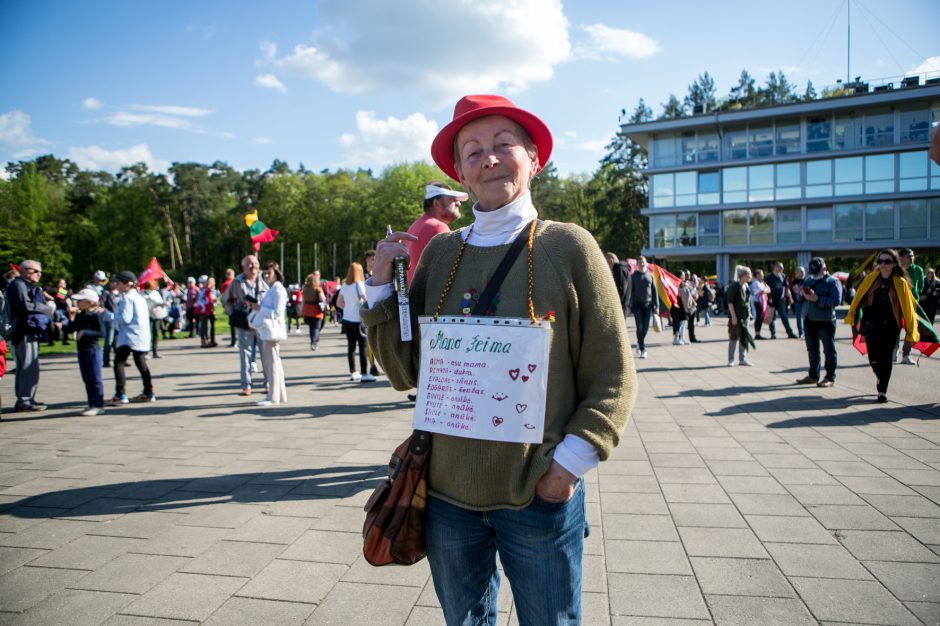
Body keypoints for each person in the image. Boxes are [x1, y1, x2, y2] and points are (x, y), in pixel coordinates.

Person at [363, 94, 635, 625]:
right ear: (461, 177)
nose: (489, 158)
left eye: (503, 144)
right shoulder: (441, 254)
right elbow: (404, 372)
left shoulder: (569, 247)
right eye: (473, 151)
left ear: (533, 157)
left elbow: (612, 375)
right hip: (445, 496)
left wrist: (567, 468)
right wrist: (378, 286)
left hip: (538, 492)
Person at [844, 249, 921, 403]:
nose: (883, 264)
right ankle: (881, 377)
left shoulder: (901, 283)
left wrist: (911, 330)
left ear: (894, 264)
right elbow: (858, 299)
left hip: (892, 326)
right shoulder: (870, 279)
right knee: (874, 359)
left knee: (886, 358)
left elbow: (908, 308)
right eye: (880, 261)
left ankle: (882, 390)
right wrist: (852, 315)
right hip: (871, 324)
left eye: (887, 261)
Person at [6, 260, 54, 411]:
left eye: (40, 272)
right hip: (23, 332)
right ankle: (24, 400)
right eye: (36, 271)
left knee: (29, 366)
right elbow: (24, 305)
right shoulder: (18, 284)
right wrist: (45, 308)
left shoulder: (23, 284)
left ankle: (27, 398)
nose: (39, 274)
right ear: (25, 271)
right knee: (27, 366)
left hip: (27, 331)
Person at [406, 182, 469, 283]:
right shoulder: (437, 227)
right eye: (452, 199)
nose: (458, 203)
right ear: (437, 204)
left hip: (415, 296)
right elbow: (452, 271)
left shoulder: (415, 226)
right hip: (431, 297)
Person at [225, 255, 268, 396]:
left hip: (262, 322)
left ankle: (268, 383)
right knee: (245, 355)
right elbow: (225, 299)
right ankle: (246, 385)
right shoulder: (237, 282)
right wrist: (233, 313)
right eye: (249, 264)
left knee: (266, 354)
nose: (253, 266)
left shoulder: (265, 279)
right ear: (243, 266)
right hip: (244, 322)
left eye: (255, 263)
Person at [795, 257, 841, 388]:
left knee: (829, 350)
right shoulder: (809, 280)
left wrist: (818, 299)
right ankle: (813, 376)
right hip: (809, 320)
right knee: (812, 350)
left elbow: (836, 300)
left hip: (825, 321)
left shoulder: (833, 282)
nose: (814, 275)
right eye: (812, 272)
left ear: (824, 269)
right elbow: (798, 298)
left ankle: (830, 377)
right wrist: (802, 294)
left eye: (817, 272)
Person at [110, 271, 155, 403]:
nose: (116, 285)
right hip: (140, 336)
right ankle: (148, 391)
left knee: (118, 363)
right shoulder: (139, 297)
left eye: (118, 282)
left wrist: (109, 316)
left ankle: (120, 393)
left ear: (127, 284)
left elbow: (125, 319)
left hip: (129, 337)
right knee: (141, 364)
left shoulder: (127, 298)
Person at [249, 262, 288, 407]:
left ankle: (273, 396)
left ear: (276, 274)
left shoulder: (278, 290)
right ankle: (279, 394)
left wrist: (260, 308)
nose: (265, 276)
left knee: (271, 364)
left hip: (272, 330)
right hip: (268, 330)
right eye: (264, 273)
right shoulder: (273, 289)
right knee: (274, 363)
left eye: (268, 273)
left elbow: (278, 313)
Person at [65, 288, 106, 416]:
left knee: (95, 378)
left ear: (89, 302)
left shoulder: (95, 316)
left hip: (93, 350)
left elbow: (101, 333)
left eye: (80, 300)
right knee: (87, 378)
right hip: (81, 350)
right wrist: (71, 318)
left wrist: (84, 332)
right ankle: (91, 403)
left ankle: (99, 405)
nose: (77, 303)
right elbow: (71, 329)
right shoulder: (80, 315)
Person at [336, 262, 373, 382]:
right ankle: (364, 374)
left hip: (347, 320)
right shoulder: (360, 285)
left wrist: (348, 307)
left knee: (351, 347)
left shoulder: (345, 286)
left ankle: (353, 372)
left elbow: (338, 303)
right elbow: (366, 300)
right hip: (358, 320)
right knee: (363, 346)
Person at [893, 248, 924, 365]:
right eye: (908, 256)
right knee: (895, 328)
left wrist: (914, 295)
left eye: (912, 256)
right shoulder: (896, 270)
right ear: (901, 258)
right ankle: (894, 352)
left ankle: (906, 355)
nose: (911, 258)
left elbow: (920, 286)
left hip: (913, 304)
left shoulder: (918, 270)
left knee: (910, 329)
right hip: (898, 302)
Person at [628, 256, 657, 359]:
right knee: (639, 326)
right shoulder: (633, 276)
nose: (642, 264)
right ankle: (642, 349)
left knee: (645, 328)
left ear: (646, 263)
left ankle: (639, 342)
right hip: (637, 305)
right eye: (640, 262)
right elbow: (630, 291)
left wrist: (656, 305)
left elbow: (654, 292)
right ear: (637, 264)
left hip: (648, 305)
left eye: (643, 262)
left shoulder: (650, 276)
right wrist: (629, 305)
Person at [726, 265, 754, 366]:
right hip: (736, 316)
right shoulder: (734, 286)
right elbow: (730, 302)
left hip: (745, 317)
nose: (751, 276)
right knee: (734, 338)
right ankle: (731, 360)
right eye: (749, 274)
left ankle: (743, 359)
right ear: (743, 275)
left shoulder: (746, 286)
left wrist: (750, 315)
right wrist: (733, 316)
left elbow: (748, 302)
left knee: (744, 338)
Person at [766, 262, 796, 339]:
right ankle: (773, 334)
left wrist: (790, 298)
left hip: (780, 300)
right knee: (772, 317)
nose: (782, 269)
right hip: (772, 300)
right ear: (775, 267)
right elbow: (764, 287)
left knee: (784, 317)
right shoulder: (769, 277)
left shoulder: (783, 276)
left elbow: (787, 288)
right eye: (780, 267)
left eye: (782, 268)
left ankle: (790, 333)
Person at [301, 270, 327, 350]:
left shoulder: (304, 290)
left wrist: (302, 311)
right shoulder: (318, 289)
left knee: (311, 327)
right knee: (317, 327)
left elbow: (303, 301)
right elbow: (322, 298)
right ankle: (314, 342)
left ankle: (313, 340)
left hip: (307, 309)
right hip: (316, 310)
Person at [143, 280, 167, 358]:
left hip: (156, 315)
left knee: (156, 333)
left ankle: (155, 351)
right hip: (147, 315)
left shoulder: (156, 293)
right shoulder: (142, 294)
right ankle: (146, 352)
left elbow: (160, 302)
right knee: (147, 333)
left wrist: (162, 304)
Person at [605, 252, 630, 320]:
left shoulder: (619, 269)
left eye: (606, 263)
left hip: (620, 305)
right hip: (624, 304)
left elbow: (621, 288)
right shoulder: (624, 269)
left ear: (611, 261)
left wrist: (616, 302)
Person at [749, 269, 771, 340]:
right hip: (757, 302)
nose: (763, 276)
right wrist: (765, 290)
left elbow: (769, 290)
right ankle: (757, 334)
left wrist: (765, 290)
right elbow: (762, 291)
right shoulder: (755, 283)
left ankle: (758, 333)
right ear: (757, 275)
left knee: (760, 318)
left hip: (760, 302)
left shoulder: (761, 282)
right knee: (758, 318)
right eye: (761, 274)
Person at [220, 268, 236, 346]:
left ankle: (234, 341)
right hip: (239, 304)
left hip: (230, 304)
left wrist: (223, 305)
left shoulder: (225, 284)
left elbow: (223, 296)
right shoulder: (237, 282)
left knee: (232, 323)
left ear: (226, 275)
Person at [790, 266, 806, 338]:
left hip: (806, 301)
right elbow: (796, 291)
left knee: (807, 317)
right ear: (797, 273)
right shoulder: (794, 282)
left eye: (803, 271)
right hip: (798, 302)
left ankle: (807, 331)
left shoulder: (807, 280)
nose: (803, 273)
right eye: (801, 271)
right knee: (799, 317)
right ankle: (801, 332)